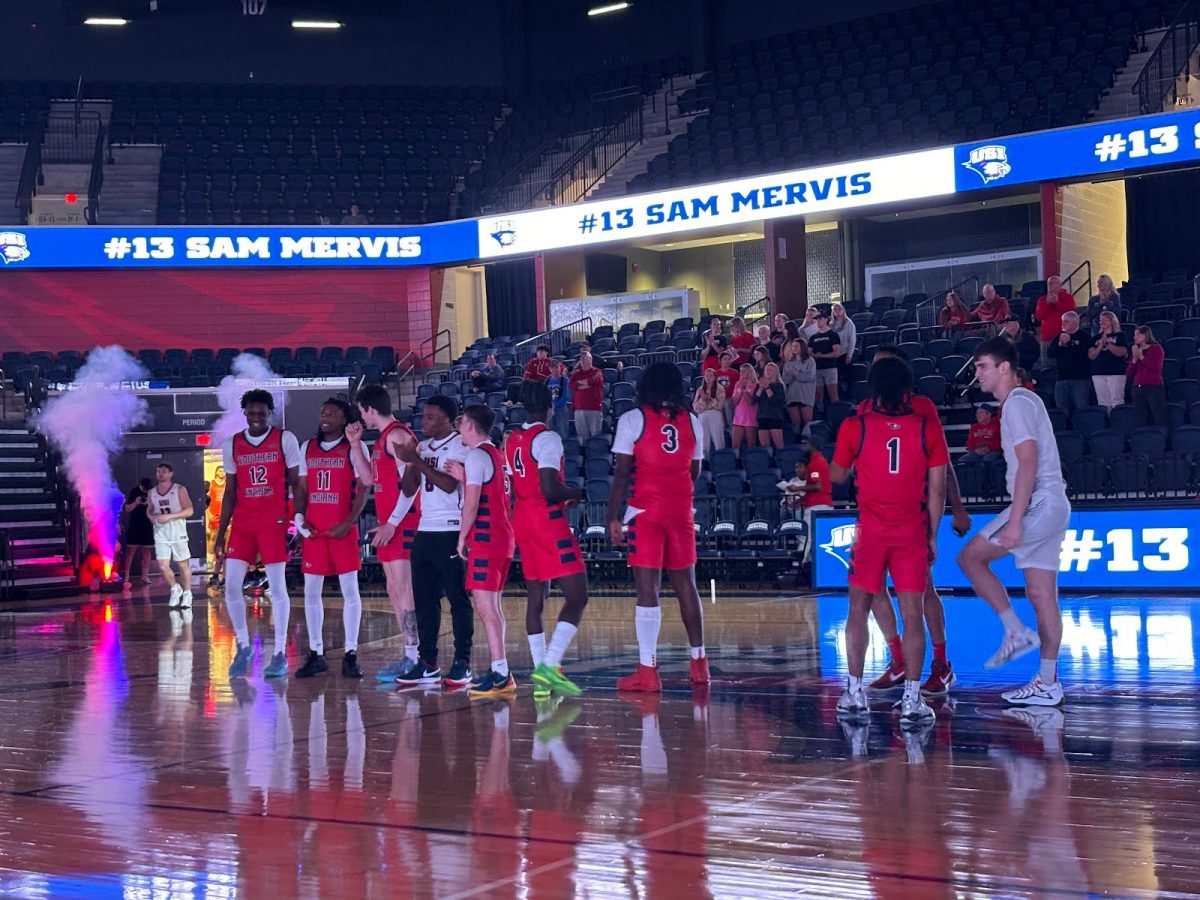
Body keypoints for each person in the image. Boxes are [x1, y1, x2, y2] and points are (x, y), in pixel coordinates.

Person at [830, 357, 948, 724]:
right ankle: (913, 700)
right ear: (908, 388)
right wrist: (932, 533)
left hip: (871, 530)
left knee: (857, 611)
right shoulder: (926, 427)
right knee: (913, 613)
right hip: (911, 529)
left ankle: (854, 692)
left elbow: (837, 475)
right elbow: (938, 489)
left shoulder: (855, 426)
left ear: (873, 389)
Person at [957, 337, 1070, 707]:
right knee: (1041, 596)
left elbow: (1028, 462)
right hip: (1054, 504)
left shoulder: (1017, 404)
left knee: (970, 558)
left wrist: (1016, 519)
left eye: (983, 366)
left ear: (1004, 367)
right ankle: (1048, 683)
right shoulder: (1025, 401)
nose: (978, 374)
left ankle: (1015, 632)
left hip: (1038, 503)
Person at [856, 345, 972, 697]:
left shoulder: (922, 407)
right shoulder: (864, 410)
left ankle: (940, 663)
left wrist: (957, 505)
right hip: (876, 511)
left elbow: (941, 463)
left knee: (921, 591)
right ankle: (898, 660)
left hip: (914, 509)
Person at [608, 362, 708, 692]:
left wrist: (612, 516)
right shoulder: (693, 421)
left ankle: (648, 671)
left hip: (644, 512)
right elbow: (694, 470)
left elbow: (622, 474)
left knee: (647, 590)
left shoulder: (632, 419)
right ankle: (699, 665)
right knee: (687, 587)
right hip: (681, 511)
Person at [504, 381, 589, 699]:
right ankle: (548, 668)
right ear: (549, 407)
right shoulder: (548, 438)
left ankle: (542, 676)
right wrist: (575, 492)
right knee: (577, 596)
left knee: (536, 596)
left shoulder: (512, 439)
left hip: (522, 518)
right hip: (546, 519)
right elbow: (550, 488)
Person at [214, 389, 306, 679]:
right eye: (251, 413)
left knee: (277, 588)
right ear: (245, 413)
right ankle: (243, 646)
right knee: (230, 588)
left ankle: (279, 652)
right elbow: (230, 491)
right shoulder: (233, 444)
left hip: (274, 520)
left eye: (261, 413)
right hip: (242, 522)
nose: (256, 417)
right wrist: (220, 532)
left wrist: (298, 521)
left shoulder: (284, 439)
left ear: (269, 413)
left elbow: (297, 484)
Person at [397, 395, 474, 688]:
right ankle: (427, 662)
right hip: (425, 530)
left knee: (457, 599)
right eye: (423, 416)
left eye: (430, 417)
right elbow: (407, 490)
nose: (423, 422)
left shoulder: (459, 445)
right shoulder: (423, 446)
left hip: (452, 530)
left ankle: (462, 662)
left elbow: (449, 484)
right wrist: (409, 462)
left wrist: (417, 459)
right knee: (425, 601)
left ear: (447, 420)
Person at [295, 399, 374, 680]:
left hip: (342, 527)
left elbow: (365, 487)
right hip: (315, 529)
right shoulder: (308, 447)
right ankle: (316, 653)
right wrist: (299, 518)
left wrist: (349, 522)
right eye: (323, 412)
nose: (325, 416)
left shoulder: (354, 447)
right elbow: (302, 488)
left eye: (332, 413)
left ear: (344, 419)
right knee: (311, 592)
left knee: (350, 591)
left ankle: (351, 653)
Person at [447, 405, 517, 698]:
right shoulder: (498, 455)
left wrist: (462, 537)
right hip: (504, 536)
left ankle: (501, 673)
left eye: (461, 423)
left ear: (471, 425)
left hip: (486, 538)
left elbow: (472, 504)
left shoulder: (476, 456)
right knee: (493, 606)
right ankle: (500, 669)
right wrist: (465, 478)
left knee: (486, 607)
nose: (458, 428)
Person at [357, 383, 423, 683]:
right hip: (391, 523)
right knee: (395, 589)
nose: (361, 416)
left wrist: (393, 522)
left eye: (361, 411)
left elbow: (412, 484)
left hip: (404, 523)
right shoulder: (382, 438)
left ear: (370, 409)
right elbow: (369, 478)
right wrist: (355, 445)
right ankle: (410, 655)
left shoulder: (397, 435)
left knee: (404, 589)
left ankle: (415, 658)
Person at [148, 463, 194, 608]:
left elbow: (189, 511)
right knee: (162, 565)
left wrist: (170, 517)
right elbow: (150, 510)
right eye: (158, 471)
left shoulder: (179, 489)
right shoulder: (152, 492)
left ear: (170, 473)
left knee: (182, 564)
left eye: (163, 471)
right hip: (160, 532)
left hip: (177, 531)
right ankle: (175, 588)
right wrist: (152, 517)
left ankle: (187, 593)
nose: (160, 474)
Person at [1047, 311, 1091, 417]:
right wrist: (1061, 344)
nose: (1063, 324)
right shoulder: (1059, 336)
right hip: (1061, 379)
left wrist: (1069, 343)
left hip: (1080, 379)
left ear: (1075, 323)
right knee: (1062, 410)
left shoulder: (1084, 336)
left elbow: (1083, 355)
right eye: (1062, 321)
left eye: (1066, 321)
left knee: (1081, 409)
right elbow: (1050, 353)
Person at [1088, 310, 1128, 412]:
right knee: (1102, 401)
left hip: (1115, 373)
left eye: (1104, 320)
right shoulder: (1095, 338)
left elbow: (1122, 352)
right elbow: (1091, 355)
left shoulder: (1120, 336)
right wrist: (1101, 344)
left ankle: (1118, 421)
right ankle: (1106, 422)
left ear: (1111, 321)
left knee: (1116, 400)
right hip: (1098, 373)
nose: (1101, 322)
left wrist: (1108, 344)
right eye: (1100, 320)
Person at [1128, 325, 1167, 427]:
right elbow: (1129, 371)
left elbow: (1156, 369)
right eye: (1134, 334)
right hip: (1137, 388)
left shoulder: (1156, 348)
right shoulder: (1136, 350)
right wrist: (1134, 360)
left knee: (1159, 416)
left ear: (1145, 335)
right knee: (1140, 418)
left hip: (1153, 387)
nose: (1134, 337)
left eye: (1137, 334)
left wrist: (1141, 357)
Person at [121, 477, 155, 588]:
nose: (146, 491)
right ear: (140, 486)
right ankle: (126, 576)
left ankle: (145, 575)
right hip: (135, 524)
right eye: (144, 489)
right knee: (131, 550)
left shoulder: (152, 492)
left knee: (146, 550)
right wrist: (136, 502)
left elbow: (156, 508)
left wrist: (149, 504)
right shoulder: (134, 492)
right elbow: (127, 509)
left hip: (147, 524)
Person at [1034, 275, 1074, 367]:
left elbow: (1070, 314)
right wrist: (1047, 304)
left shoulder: (1067, 297)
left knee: (1064, 364)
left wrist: (1057, 303)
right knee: (1047, 366)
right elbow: (1039, 316)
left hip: (1063, 336)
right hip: (1047, 338)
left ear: (1060, 285)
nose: (1050, 285)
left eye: (1053, 283)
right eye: (1049, 283)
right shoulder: (1042, 299)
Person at [782, 337, 816, 437]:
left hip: (805, 394)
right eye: (793, 346)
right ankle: (795, 439)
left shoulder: (810, 361)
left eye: (796, 346)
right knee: (795, 422)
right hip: (793, 395)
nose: (794, 348)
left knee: (807, 420)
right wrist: (793, 376)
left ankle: (808, 439)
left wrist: (796, 374)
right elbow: (785, 380)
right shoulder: (788, 363)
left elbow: (810, 377)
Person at [808, 309, 841, 409]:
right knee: (818, 396)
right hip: (817, 369)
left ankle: (836, 415)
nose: (818, 321)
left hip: (830, 368)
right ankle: (821, 415)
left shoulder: (833, 335)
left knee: (833, 395)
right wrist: (815, 355)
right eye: (816, 319)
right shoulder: (813, 337)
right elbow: (809, 352)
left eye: (820, 318)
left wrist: (821, 355)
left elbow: (836, 353)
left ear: (826, 319)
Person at [568, 352, 605, 442]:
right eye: (581, 359)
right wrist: (588, 384)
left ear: (591, 359)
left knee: (595, 436)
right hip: (579, 409)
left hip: (594, 408)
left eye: (586, 358)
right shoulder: (576, 374)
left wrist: (580, 383)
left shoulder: (597, 371)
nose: (583, 360)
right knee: (582, 437)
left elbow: (594, 379)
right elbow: (571, 385)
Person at [692, 367, 727, 456]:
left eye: (711, 376)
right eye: (706, 376)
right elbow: (695, 407)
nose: (708, 378)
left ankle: (721, 457)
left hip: (715, 414)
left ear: (714, 377)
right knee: (704, 439)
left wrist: (710, 399)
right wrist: (703, 400)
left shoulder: (719, 389)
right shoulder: (700, 389)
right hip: (703, 415)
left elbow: (720, 405)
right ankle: (705, 460)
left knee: (718, 438)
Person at [755, 362, 787, 450]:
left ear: (775, 372)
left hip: (775, 417)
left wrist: (767, 387)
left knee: (779, 446)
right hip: (762, 417)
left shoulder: (779, 386)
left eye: (770, 370)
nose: (768, 372)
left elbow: (774, 401)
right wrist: (760, 389)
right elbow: (754, 400)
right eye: (766, 370)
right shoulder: (759, 385)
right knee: (764, 447)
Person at [730, 364, 759, 454]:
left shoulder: (755, 384)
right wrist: (740, 391)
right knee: (735, 444)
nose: (741, 373)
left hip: (750, 417)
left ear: (749, 372)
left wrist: (744, 390)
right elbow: (734, 402)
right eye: (740, 371)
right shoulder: (738, 384)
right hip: (738, 416)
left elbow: (751, 402)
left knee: (751, 444)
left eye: (744, 371)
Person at [206, 465, 226, 586]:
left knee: (226, 550)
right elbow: (206, 503)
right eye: (219, 470)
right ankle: (215, 575)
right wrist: (209, 515)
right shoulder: (212, 484)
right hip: (214, 519)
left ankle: (224, 577)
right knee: (216, 549)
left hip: (227, 519)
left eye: (223, 470)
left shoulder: (228, 484)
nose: (221, 472)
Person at [830, 302, 857, 388]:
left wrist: (849, 355)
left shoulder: (849, 323)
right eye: (835, 309)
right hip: (835, 355)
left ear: (843, 310)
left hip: (845, 354)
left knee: (848, 377)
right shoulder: (831, 325)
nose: (837, 311)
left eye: (839, 309)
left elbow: (852, 340)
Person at [545, 362, 571, 438]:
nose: (554, 369)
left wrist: (555, 405)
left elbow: (566, 396)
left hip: (561, 409)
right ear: (549, 369)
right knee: (550, 433)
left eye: (556, 367)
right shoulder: (547, 381)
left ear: (559, 368)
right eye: (552, 367)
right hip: (549, 410)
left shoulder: (564, 380)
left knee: (563, 432)